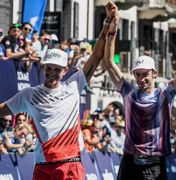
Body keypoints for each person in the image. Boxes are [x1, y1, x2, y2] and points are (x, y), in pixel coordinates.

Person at [0, 2, 118, 179]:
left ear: (65, 71)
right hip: (43, 167)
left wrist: (107, 23)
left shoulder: (74, 85)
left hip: (71, 166)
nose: (51, 73)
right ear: (43, 66)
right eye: (49, 68)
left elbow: (96, 57)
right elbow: (3, 110)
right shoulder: (29, 94)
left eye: (57, 69)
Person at [103, 17, 176, 179]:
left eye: (145, 74)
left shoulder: (165, 92)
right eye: (137, 75)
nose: (141, 79)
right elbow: (109, 62)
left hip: (154, 160)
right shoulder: (129, 92)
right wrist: (112, 30)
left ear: (154, 74)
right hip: (130, 158)